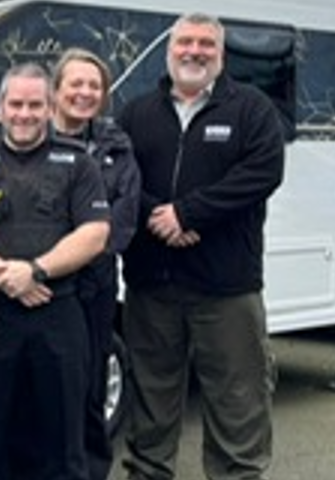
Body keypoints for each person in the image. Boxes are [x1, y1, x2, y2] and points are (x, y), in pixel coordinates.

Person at [115, 13, 287, 480]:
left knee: (238, 401)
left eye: (205, 44)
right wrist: (161, 217)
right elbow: (119, 178)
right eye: (185, 42)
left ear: (222, 53)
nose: (194, 51)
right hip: (152, 284)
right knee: (151, 401)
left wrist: (190, 214)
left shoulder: (251, 109)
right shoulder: (136, 112)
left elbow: (262, 173)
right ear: (170, 51)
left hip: (226, 288)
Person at [0, 63, 109, 480]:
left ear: (51, 107)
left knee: (62, 441)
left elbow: (95, 233)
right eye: (16, 104)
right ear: (0, 107)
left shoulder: (78, 164)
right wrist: (9, 276)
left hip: (59, 315)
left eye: (36, 104)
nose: (25, 113)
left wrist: (36, 270)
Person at [52, 47, 141, 480]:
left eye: (94, 86)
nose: (85, 93)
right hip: (39, 286)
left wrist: (78, 253)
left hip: (93, 286)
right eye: (76, 83)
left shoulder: (117, 149)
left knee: (89, 388)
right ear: (56, 90)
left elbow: (121, 221)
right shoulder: (30, 140)